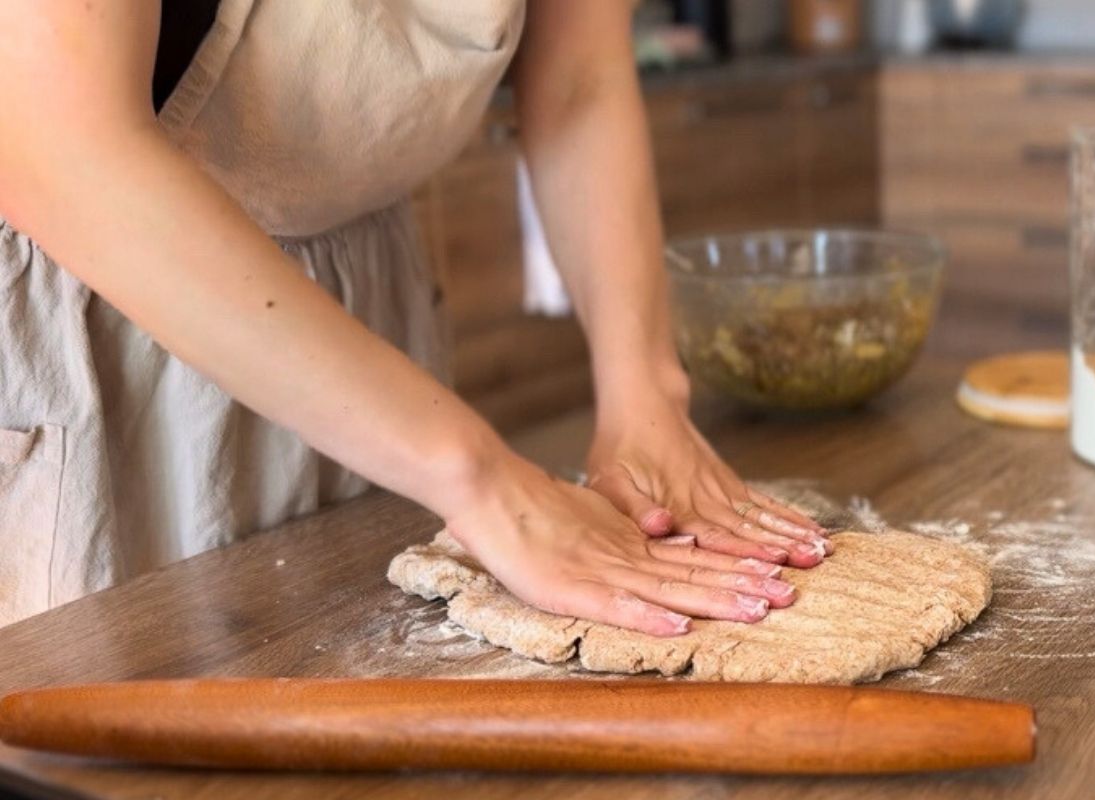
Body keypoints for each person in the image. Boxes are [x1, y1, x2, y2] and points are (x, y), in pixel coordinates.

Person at [0, 0, 832, 631]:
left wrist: (645, 389)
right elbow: (58, 146)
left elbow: (579, 77)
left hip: (370, 326)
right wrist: (478, 479)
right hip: (99, 308)